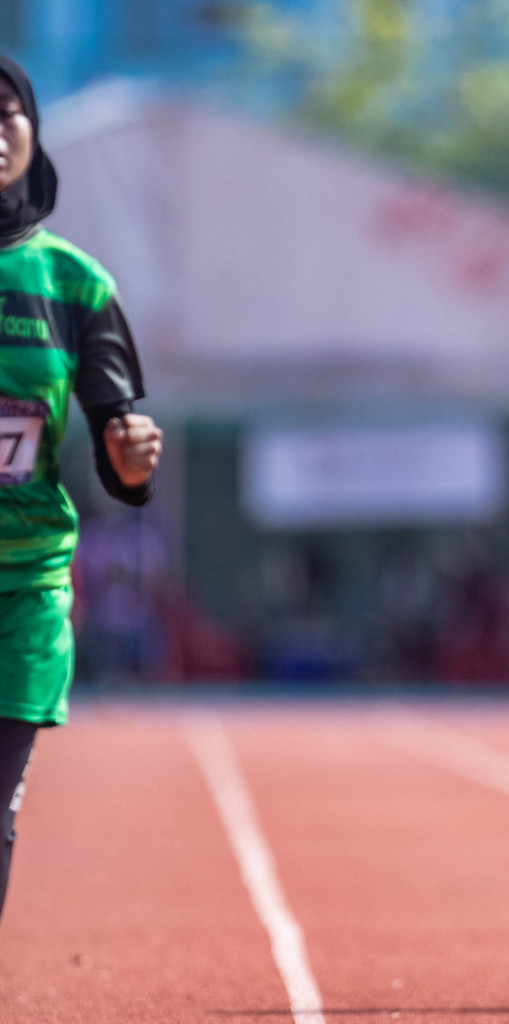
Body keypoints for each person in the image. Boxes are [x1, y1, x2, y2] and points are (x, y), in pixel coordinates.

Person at [0, 54, 163, 926]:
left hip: (23, 583)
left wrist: (131, 462)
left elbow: (116, 443)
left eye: (7, 112)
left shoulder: (74, 284)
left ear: (32, 129)